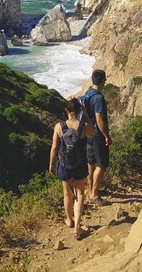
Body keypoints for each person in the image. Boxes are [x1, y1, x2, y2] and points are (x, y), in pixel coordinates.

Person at [49, 98, 94, 239]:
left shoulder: (59, 126)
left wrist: (51, 164)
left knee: (67, 193)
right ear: (80, 110)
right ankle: (77, 227)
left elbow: (55, 147)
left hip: (64, 165)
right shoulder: (83, 126)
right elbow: (93, 129)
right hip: (79, 164)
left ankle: (69, 220)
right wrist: (85, 113)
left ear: (66, 111)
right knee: (80, 193)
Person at [83, 69, 111, 203]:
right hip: (97, 135)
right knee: (101, 165)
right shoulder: (98, 98)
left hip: (88, 134)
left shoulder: (87, 93)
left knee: (91, 162)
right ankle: (94, 194)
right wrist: (106, 135)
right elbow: (99, 119)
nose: (106, 81)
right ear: (102, 80)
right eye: (105, 79)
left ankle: (91, 189)